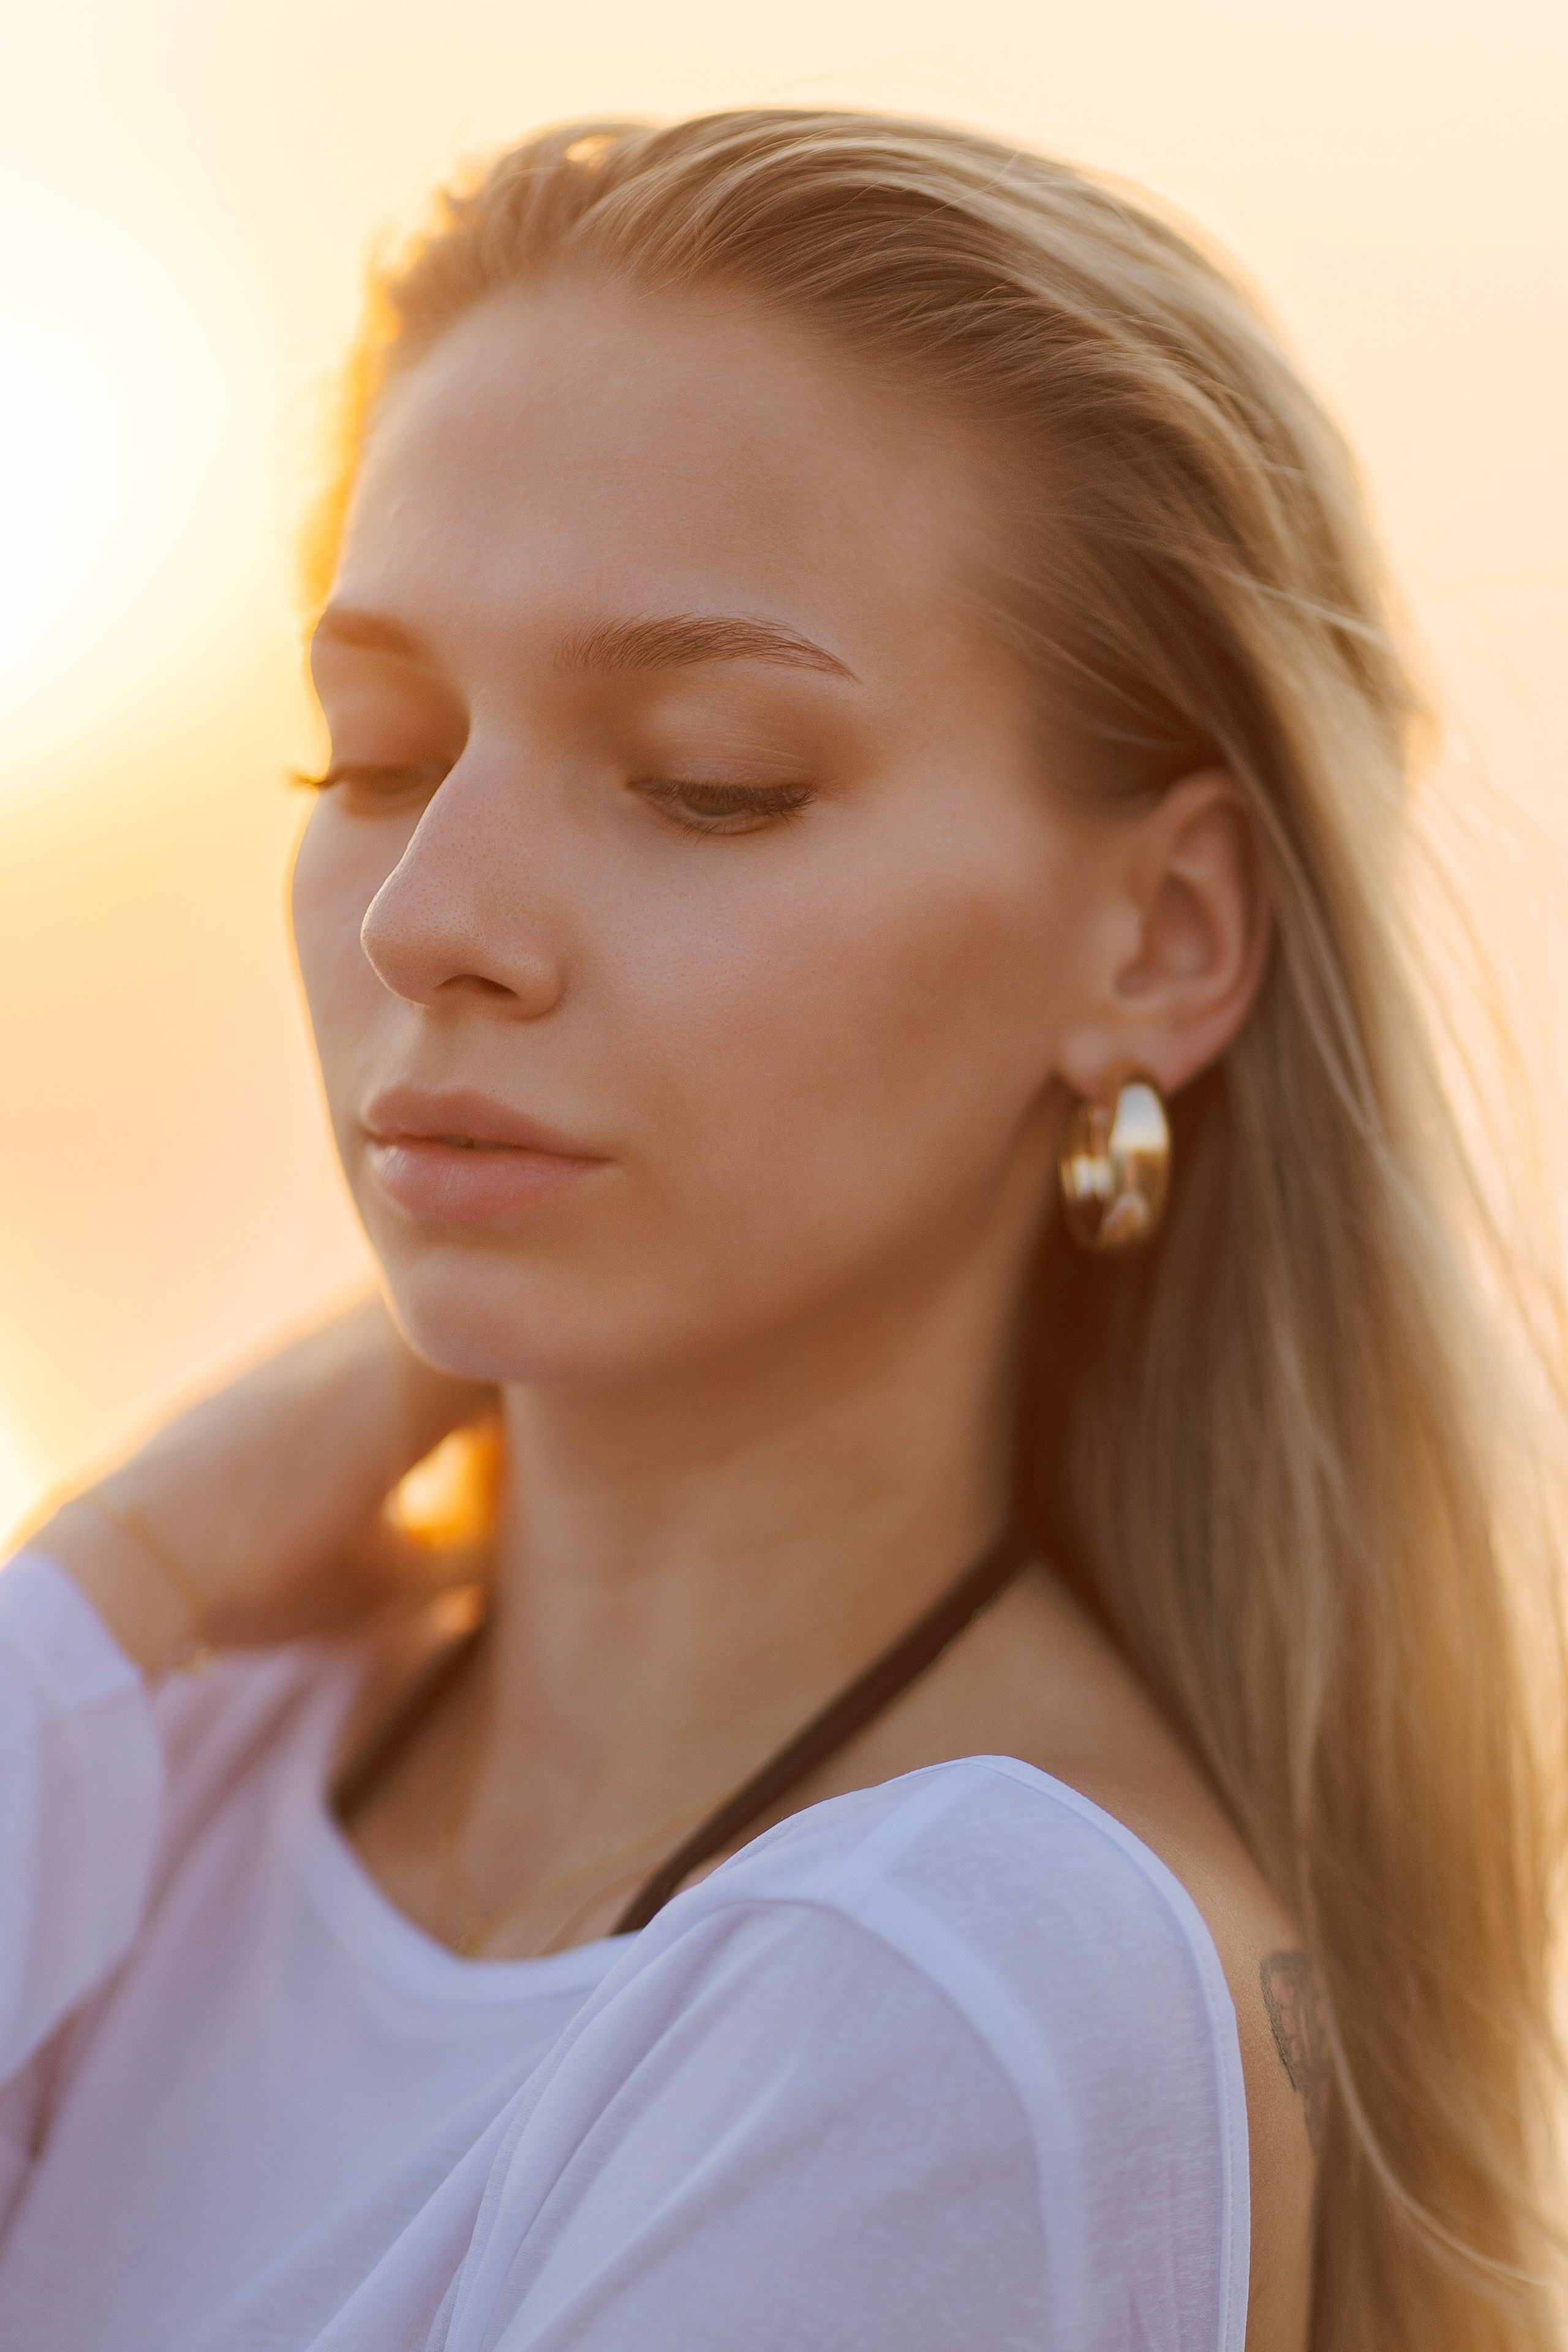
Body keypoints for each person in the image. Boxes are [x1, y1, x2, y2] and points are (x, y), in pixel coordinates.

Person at [0, 110, 1559, 2352]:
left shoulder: (942, 1996)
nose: (432, 914)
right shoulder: (182, 1734)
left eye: (708, 779)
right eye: (376, 753)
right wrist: (110, 1578)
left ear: (1161, 935)